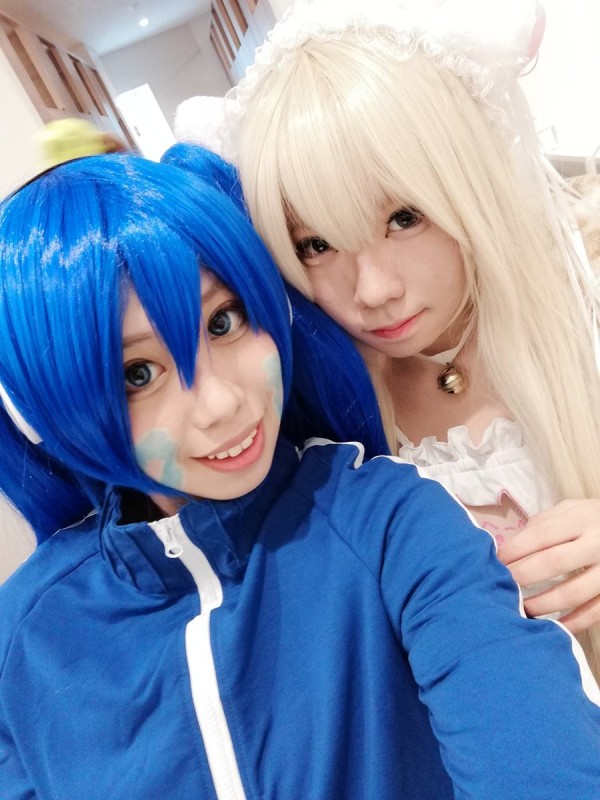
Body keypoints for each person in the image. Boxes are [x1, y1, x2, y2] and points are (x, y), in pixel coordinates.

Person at [0, 152, 600, 798]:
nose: (221, 403)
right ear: (47, 413)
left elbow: (538, 758)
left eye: (223, 322)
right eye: (137, 374)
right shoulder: (27, 635)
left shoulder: (390, 523)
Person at [227, 0, 600, 671]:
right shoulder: (314, 405)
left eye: (403, 217)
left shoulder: (585, 290)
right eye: (316, 243)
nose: (372, 290)